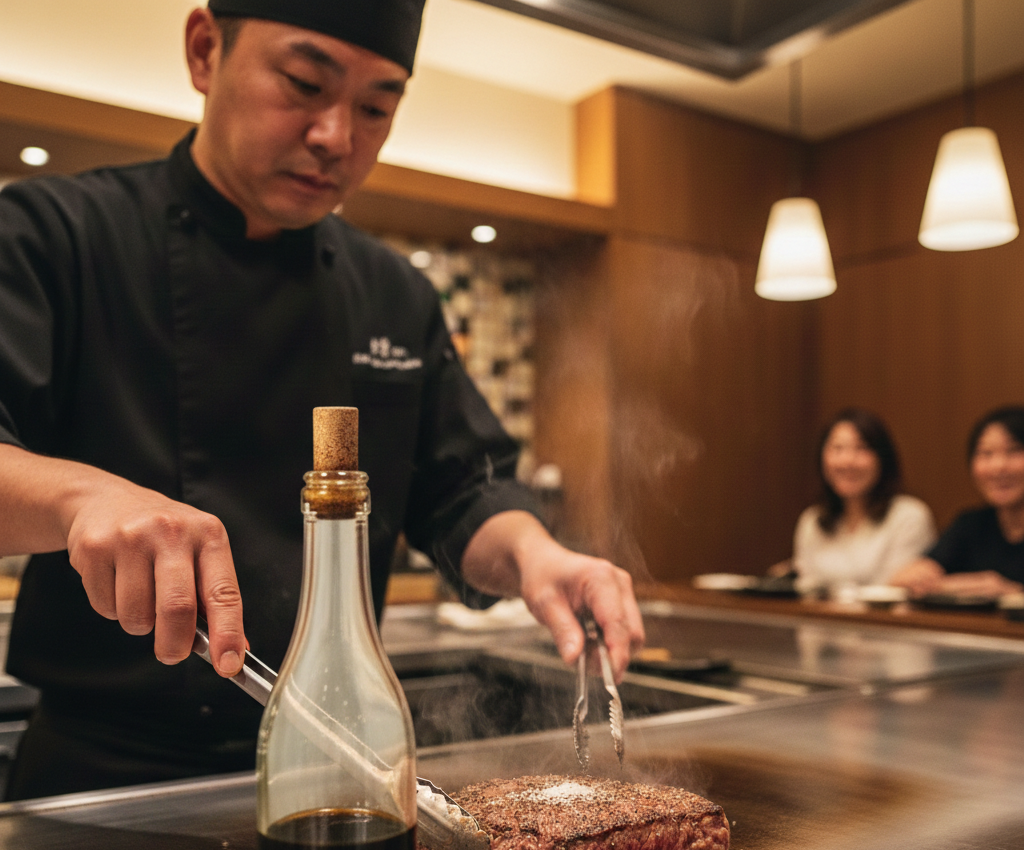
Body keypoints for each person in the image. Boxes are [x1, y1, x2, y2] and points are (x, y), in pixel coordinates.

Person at [0, 1, 644, 800]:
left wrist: (537, 556)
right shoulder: (54, 235)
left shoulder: (393, 292)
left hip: (334, 771)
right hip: (102, 786)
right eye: (304, 84)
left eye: (376, 107)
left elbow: (463, 491)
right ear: (206, 51)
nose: (338, 136)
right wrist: (78, 497)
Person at [786, 409, 935, 592]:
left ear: (882, 458)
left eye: (861, 448)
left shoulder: (908, 516)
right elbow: (806, 588)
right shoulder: (812, 519)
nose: (847, 461)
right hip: (817, 620)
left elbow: (897, 590)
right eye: (838, 448)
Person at [893, 406, 1024, 598]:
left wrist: (1013, 592)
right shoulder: (971, 525)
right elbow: (904, 579)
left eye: (1014, 451)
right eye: (986, 453)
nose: (998, 466)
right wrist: (979, 585)